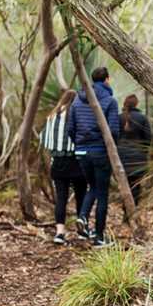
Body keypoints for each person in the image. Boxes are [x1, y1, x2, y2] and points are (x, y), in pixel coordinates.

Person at [66, 66, 119, 247]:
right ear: (107, 80)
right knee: (102, 193)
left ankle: (82, 217)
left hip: (81, 152)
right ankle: (99, 238)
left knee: (92, 188)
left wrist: (80, 144)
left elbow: (70, 129)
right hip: (100, 152)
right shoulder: (110, 101)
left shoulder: (76, 101)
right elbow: (113, 131)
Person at [40, 90, 87, 245]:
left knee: (61, 198)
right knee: (81, 195)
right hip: (77, 161)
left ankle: (60, 232)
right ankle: (82, 230)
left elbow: (44, 140)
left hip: (58, 162)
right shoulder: (78, 116)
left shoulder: (52, 117)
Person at [118, 94, 152, 207]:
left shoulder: (119, 117)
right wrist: (144, 153)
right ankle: (133, 211)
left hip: (121, 157)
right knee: (136, 185)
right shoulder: (142, 118)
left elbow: (113, 135)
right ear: (136, 104)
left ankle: (125, 211)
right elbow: (148, 138)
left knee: (124, 185)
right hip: (138, 158)